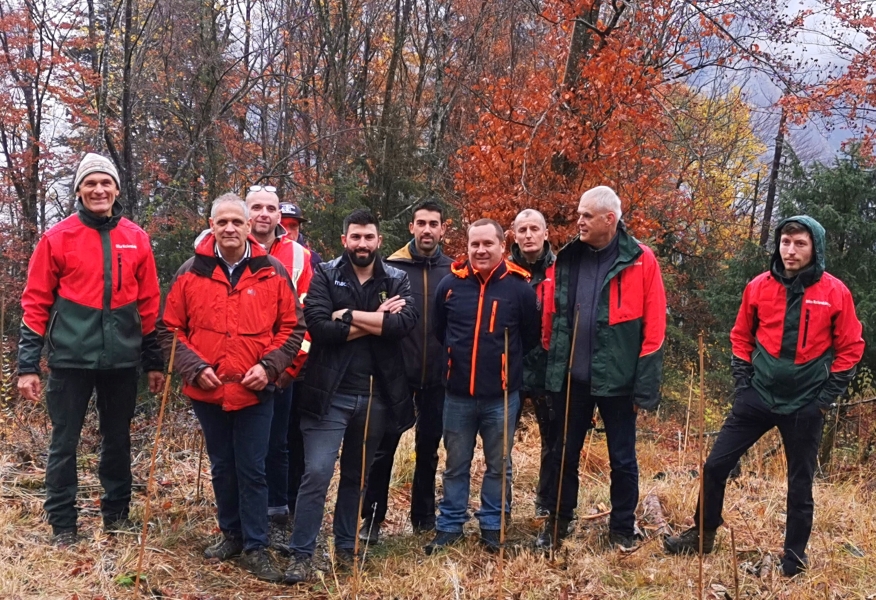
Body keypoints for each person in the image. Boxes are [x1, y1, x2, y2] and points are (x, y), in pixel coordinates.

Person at [664, 216, 864, 577]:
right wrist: (743, 383)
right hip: (757, 396)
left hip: (806, 403)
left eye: (799, 244)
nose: (790, 250)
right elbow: (741, 336)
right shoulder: (758, 286)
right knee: (714, 466)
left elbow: (850, 347)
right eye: (785, 242)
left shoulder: (835, 292)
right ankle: (703, 534)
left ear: (814, 248)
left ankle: (794, 560)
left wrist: (824, 398)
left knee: (799, 484)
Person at [17, 152, 165, 547]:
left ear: (117, 189)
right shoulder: (57, 238)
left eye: (106, 183)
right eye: (90, 183)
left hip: (121, 360)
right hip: (70, 360)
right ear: (79, 191)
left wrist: (154, 361)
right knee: (64, 443)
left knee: (117, 439)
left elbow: (149, 303)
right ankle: (63, 525)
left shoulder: (136, 238)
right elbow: (35, 302)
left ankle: (117, 518)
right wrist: (26, 365)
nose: (98, 190)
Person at [157, 193, 305, 582]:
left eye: (236, 222)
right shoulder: (191, 271)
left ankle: (257, 546)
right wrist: (193, 367)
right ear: (211, 226)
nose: (229, 229)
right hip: (208, 389)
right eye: (221, 222)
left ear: (248, 226)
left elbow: (293, 328)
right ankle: (231, 534)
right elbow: (168, 329)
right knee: (223, 466)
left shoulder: (272, 271)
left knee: (253, 468)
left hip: (256, 389)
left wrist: (269, 366)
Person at [284, 208, 417, 584]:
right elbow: (321, 327)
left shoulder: (396, 278)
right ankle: (301, 554)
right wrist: (374, 317)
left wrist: (352, 316)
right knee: (317, 473)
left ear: (379, 240)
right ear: (345, 240)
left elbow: (402, 325)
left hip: (375, 396)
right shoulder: (326, 273)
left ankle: (346, 548)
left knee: (356, 477)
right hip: (328, 395)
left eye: (369, 237)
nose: (362, 243)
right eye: (355, 237)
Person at [538, 185, 666, 550]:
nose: (578, 221)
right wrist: (553, 366)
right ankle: (557, 524)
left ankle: (622, 529)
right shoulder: (568, 258)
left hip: (619, 383)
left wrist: (644, 388)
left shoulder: (641, 260)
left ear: (609, 220)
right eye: (579, 214)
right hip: (571, 380)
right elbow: (553, 315)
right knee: (563, 453)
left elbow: (654, 330)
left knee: (622, 459)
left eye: (586, 216)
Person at [425, 218, 540, 555]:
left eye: (487, 244)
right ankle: (450, 525)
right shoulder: (450, 284)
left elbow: (530, 338)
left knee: (498, 464)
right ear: (468, 246)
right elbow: (439, 331)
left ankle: (493, 525)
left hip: (502, 397)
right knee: (455, 464)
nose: (480, 250)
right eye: (474, 244)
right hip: (457, 395)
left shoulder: (520, 288)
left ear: (502, 246)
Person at [359, 199, 453, 544]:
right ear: (411, 227)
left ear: (443, 228)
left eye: (434, 223)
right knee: (383, 447)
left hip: (438, 376)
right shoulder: (391, 268)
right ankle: (371, 518)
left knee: (428, 448)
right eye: (421, 223)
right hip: (396, 374)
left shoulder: (453, 270)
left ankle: (424, 518)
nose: (427, 229)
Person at [245, 186, 313, 547]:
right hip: (239, 366)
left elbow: (304, 318)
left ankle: (277, 510)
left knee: (279, 442)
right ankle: (242, 514)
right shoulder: (229, 248)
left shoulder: (299, 256)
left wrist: (288, 367)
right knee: (241, 446)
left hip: (282, 365)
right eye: (256, 207)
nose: (265, 215)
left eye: (271, 209)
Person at [507, 208, 558, 517]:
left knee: (553, 443)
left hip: (548, 367)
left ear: (545, 233)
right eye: (522, 229)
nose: (528, 235)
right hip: (510, 366)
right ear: (514, 234)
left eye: (534, 229)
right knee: (501, 444)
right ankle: (501, 506)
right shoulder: (504, 270)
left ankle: (547, 505)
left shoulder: (562, 270)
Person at [280, 201, 322, 268]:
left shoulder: (313, 259)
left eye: (293, 225)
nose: (287, 231)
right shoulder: (261, 255)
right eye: (281, 225)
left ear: (299, 228)